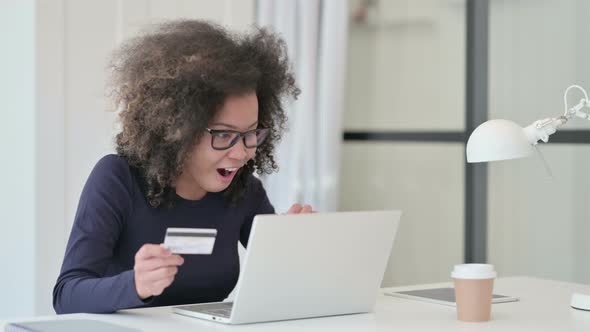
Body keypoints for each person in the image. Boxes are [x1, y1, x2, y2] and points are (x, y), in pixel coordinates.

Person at [53, 20, 312, 314]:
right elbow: (67, 296)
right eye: (224, 135)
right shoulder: (117, 179)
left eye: (250, 134)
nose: (241, 153)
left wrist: (294, 245)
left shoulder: (245, 191)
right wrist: (135, 285)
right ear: (178, 130)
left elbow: (284, 286)